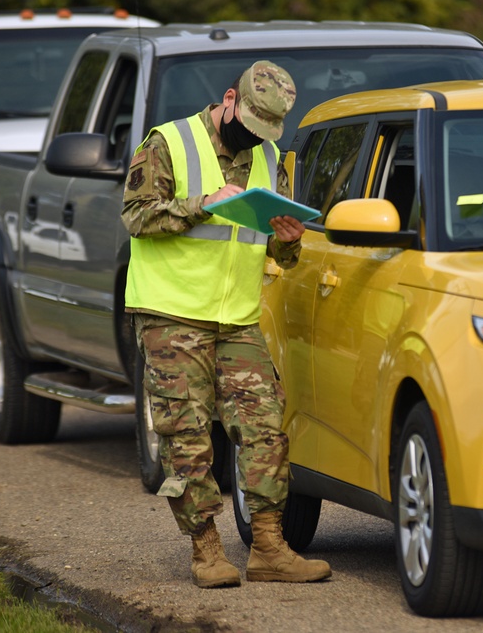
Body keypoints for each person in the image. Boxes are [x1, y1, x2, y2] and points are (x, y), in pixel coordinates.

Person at [121, 60, 331, 588]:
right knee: (187, 438)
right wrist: (201, 206)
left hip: (236, 319)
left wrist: (287, 236)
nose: (254, 139)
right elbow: (135, 215)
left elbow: (283, 258)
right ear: (230, 98)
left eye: (266, 132)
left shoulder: (270, 158)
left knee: (265, 432)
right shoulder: (169, 142)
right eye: (249, 124)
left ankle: (267, 547)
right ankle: (206, 549)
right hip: (171, 314)